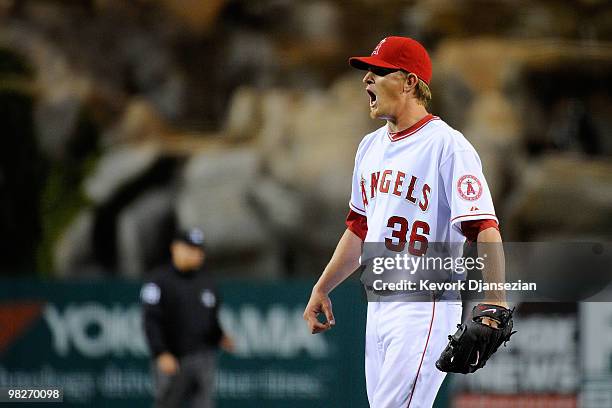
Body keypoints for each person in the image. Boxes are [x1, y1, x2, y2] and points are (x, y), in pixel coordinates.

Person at [303, 36, 508, 407]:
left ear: (410, 81)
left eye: (378, 71)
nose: (367, 79)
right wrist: (323, 286)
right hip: (379, 304)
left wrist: (495, 301)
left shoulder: (448, 145)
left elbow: (484, 227)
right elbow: (359, 229)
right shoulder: (369, 148)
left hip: (424, 303)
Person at [141, 227, 234, 408]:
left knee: (204, 404)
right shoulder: (159, 280)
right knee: (167, 403)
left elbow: (210, 318)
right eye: (190, 249)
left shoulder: (207, 281)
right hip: (174, 357)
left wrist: (219, 336)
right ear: (175, 248)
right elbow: (150, 321)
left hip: (203, 356)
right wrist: (160, 352)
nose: (196, 255)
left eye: (199, 250)